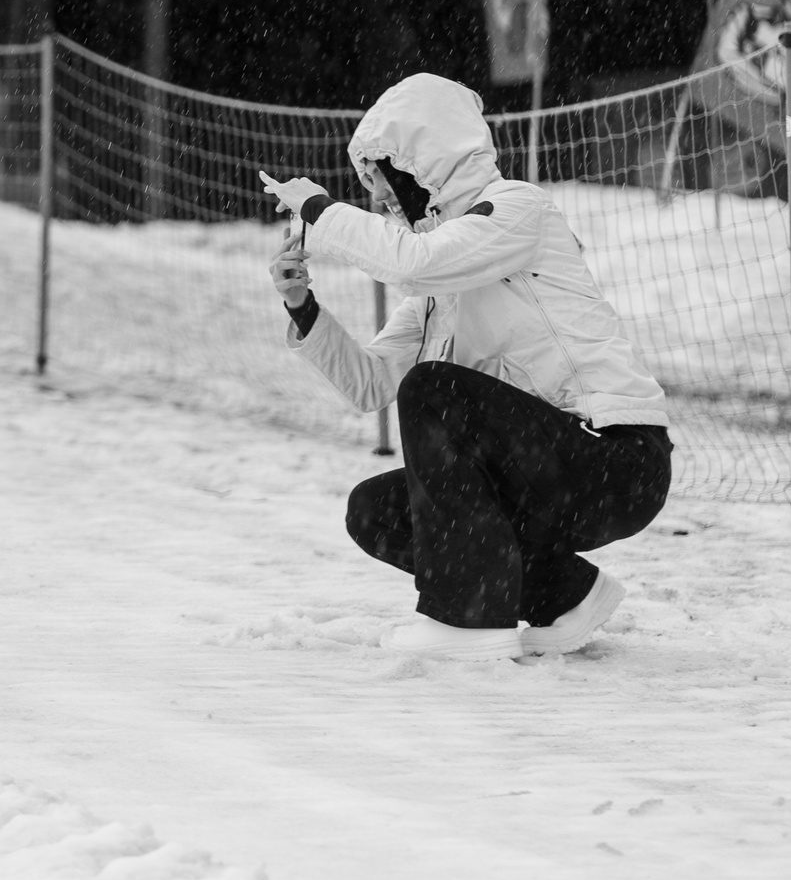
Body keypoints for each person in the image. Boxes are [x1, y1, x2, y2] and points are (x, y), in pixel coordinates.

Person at [261, 73, 672, 661]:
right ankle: (563, 594)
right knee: (376, 510)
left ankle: (467, 618)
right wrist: (303, 308)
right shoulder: (439, 287)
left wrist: (321, 210)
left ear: (421, 164)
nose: (377, 195)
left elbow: (416, 262)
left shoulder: (516, 209)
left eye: (380, 175)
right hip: (543, 473)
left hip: (614, 459)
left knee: (433, 388)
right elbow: (372, 383)